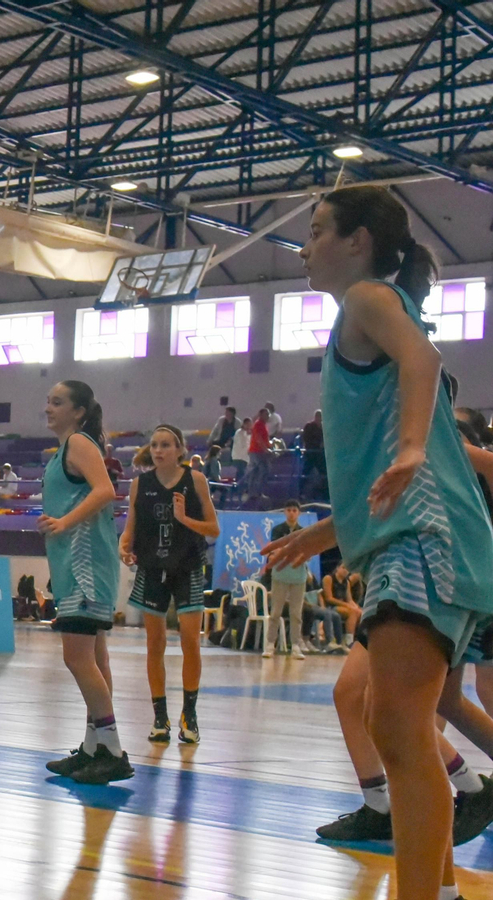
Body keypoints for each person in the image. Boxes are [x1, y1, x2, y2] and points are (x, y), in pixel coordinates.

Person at [262, 185, 493, 900]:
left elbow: (422, 364)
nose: (306, 245)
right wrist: (333, 529)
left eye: (319, 229)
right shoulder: (358, 315)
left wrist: (417, 447)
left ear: (359, 240)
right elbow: (386, 452)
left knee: (396, 724)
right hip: (406, 532)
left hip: (426, 536)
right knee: (394, 719)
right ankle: (441, 886)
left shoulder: (368, 298)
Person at [39, 381, 129, 785]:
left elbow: (106, 490)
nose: (48, 407)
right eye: (48, 401)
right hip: (76, 564)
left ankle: (111, 749)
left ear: (78, 411)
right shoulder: (65, 450)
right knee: (96, 660)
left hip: (86, 566)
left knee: (76, 658)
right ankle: (95, 746)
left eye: (57, 402)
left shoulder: (78, 443)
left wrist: (63, 522)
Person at [120, 424, 219, 745]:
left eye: (166, 445)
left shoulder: (196, 480)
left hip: (188, 566)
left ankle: (189, 715)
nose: (159, 450)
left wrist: (184, 519)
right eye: (155, 445)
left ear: (180, 449)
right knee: (155, 644)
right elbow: (130, 528)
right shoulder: (140, 485)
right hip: (152, 568)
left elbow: (214, 529)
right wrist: (125, 547)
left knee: (190, 641)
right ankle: (159, 716)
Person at [263, 500, 311, 659]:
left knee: (296, 613)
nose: (291, 513)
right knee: (275, 611)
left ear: (299, 513)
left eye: (294, 510)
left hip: (298, 577)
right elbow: (276, 551)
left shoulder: (304, 532)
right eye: (289, 510)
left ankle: (296, 645)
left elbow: (305, 552)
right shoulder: (278, 530)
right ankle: (270, 644)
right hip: (280, 575)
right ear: (284, 512)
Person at [322, 561, 363, 644]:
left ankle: (358, 638)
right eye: (343, 568)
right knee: (352, 612)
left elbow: (349, 599)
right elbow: (329, 598)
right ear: (337, 568)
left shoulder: (346, 582)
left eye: (347, 569)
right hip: (330, 606)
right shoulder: (328, 578)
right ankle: (349, 640)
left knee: (360, 613)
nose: (345, 571)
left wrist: (356, 607)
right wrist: (347, 605)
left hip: (343, 606)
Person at [243, 408, 272, 500]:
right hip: (256, 451)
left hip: (260, 451)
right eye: (266, 414)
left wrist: (270, 445)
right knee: (263, 469)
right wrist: (265, 449)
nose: (268, 416)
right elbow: (258, 438)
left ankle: (253, 492)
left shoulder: (263, 425)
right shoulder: (258, 424)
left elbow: (264, 438)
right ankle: (256, 492)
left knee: (255, 472)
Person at [301, 409, 326, 498]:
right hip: (310, 453)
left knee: (324, 472)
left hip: (319, 454)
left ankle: (325, 493)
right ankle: (301, 493)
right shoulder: (309, 427)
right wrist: (317, 444)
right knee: (305, 472)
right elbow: (306, 439)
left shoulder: (323, 428)